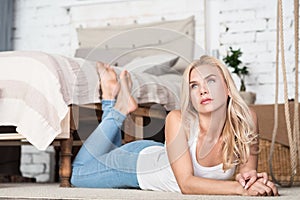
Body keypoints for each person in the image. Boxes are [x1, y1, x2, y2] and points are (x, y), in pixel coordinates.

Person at [71, 56, 278, 196]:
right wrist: (240, 189)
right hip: (134, 165)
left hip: (158, 154)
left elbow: (247, 171)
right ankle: (117, 109)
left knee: (100, 156)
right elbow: (186, 184)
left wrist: (252, 181)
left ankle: (112, 97)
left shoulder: (247, 119)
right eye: (194, 85)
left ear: (228, 89)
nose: (203, 90)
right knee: (78, 174)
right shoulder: (178, 119)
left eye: (211, 81)